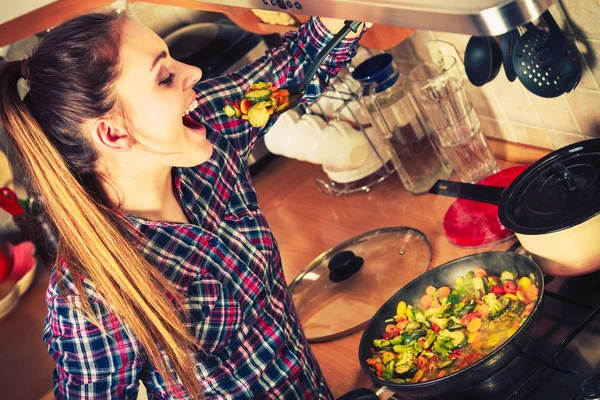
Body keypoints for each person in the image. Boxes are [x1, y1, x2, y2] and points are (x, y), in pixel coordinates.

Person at [0, 8, 366, 400]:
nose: (193, 72)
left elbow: (291, 70)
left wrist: (344, 13)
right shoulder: (90, 298)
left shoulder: (204, 127)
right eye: (165, 77)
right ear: (112, 132)